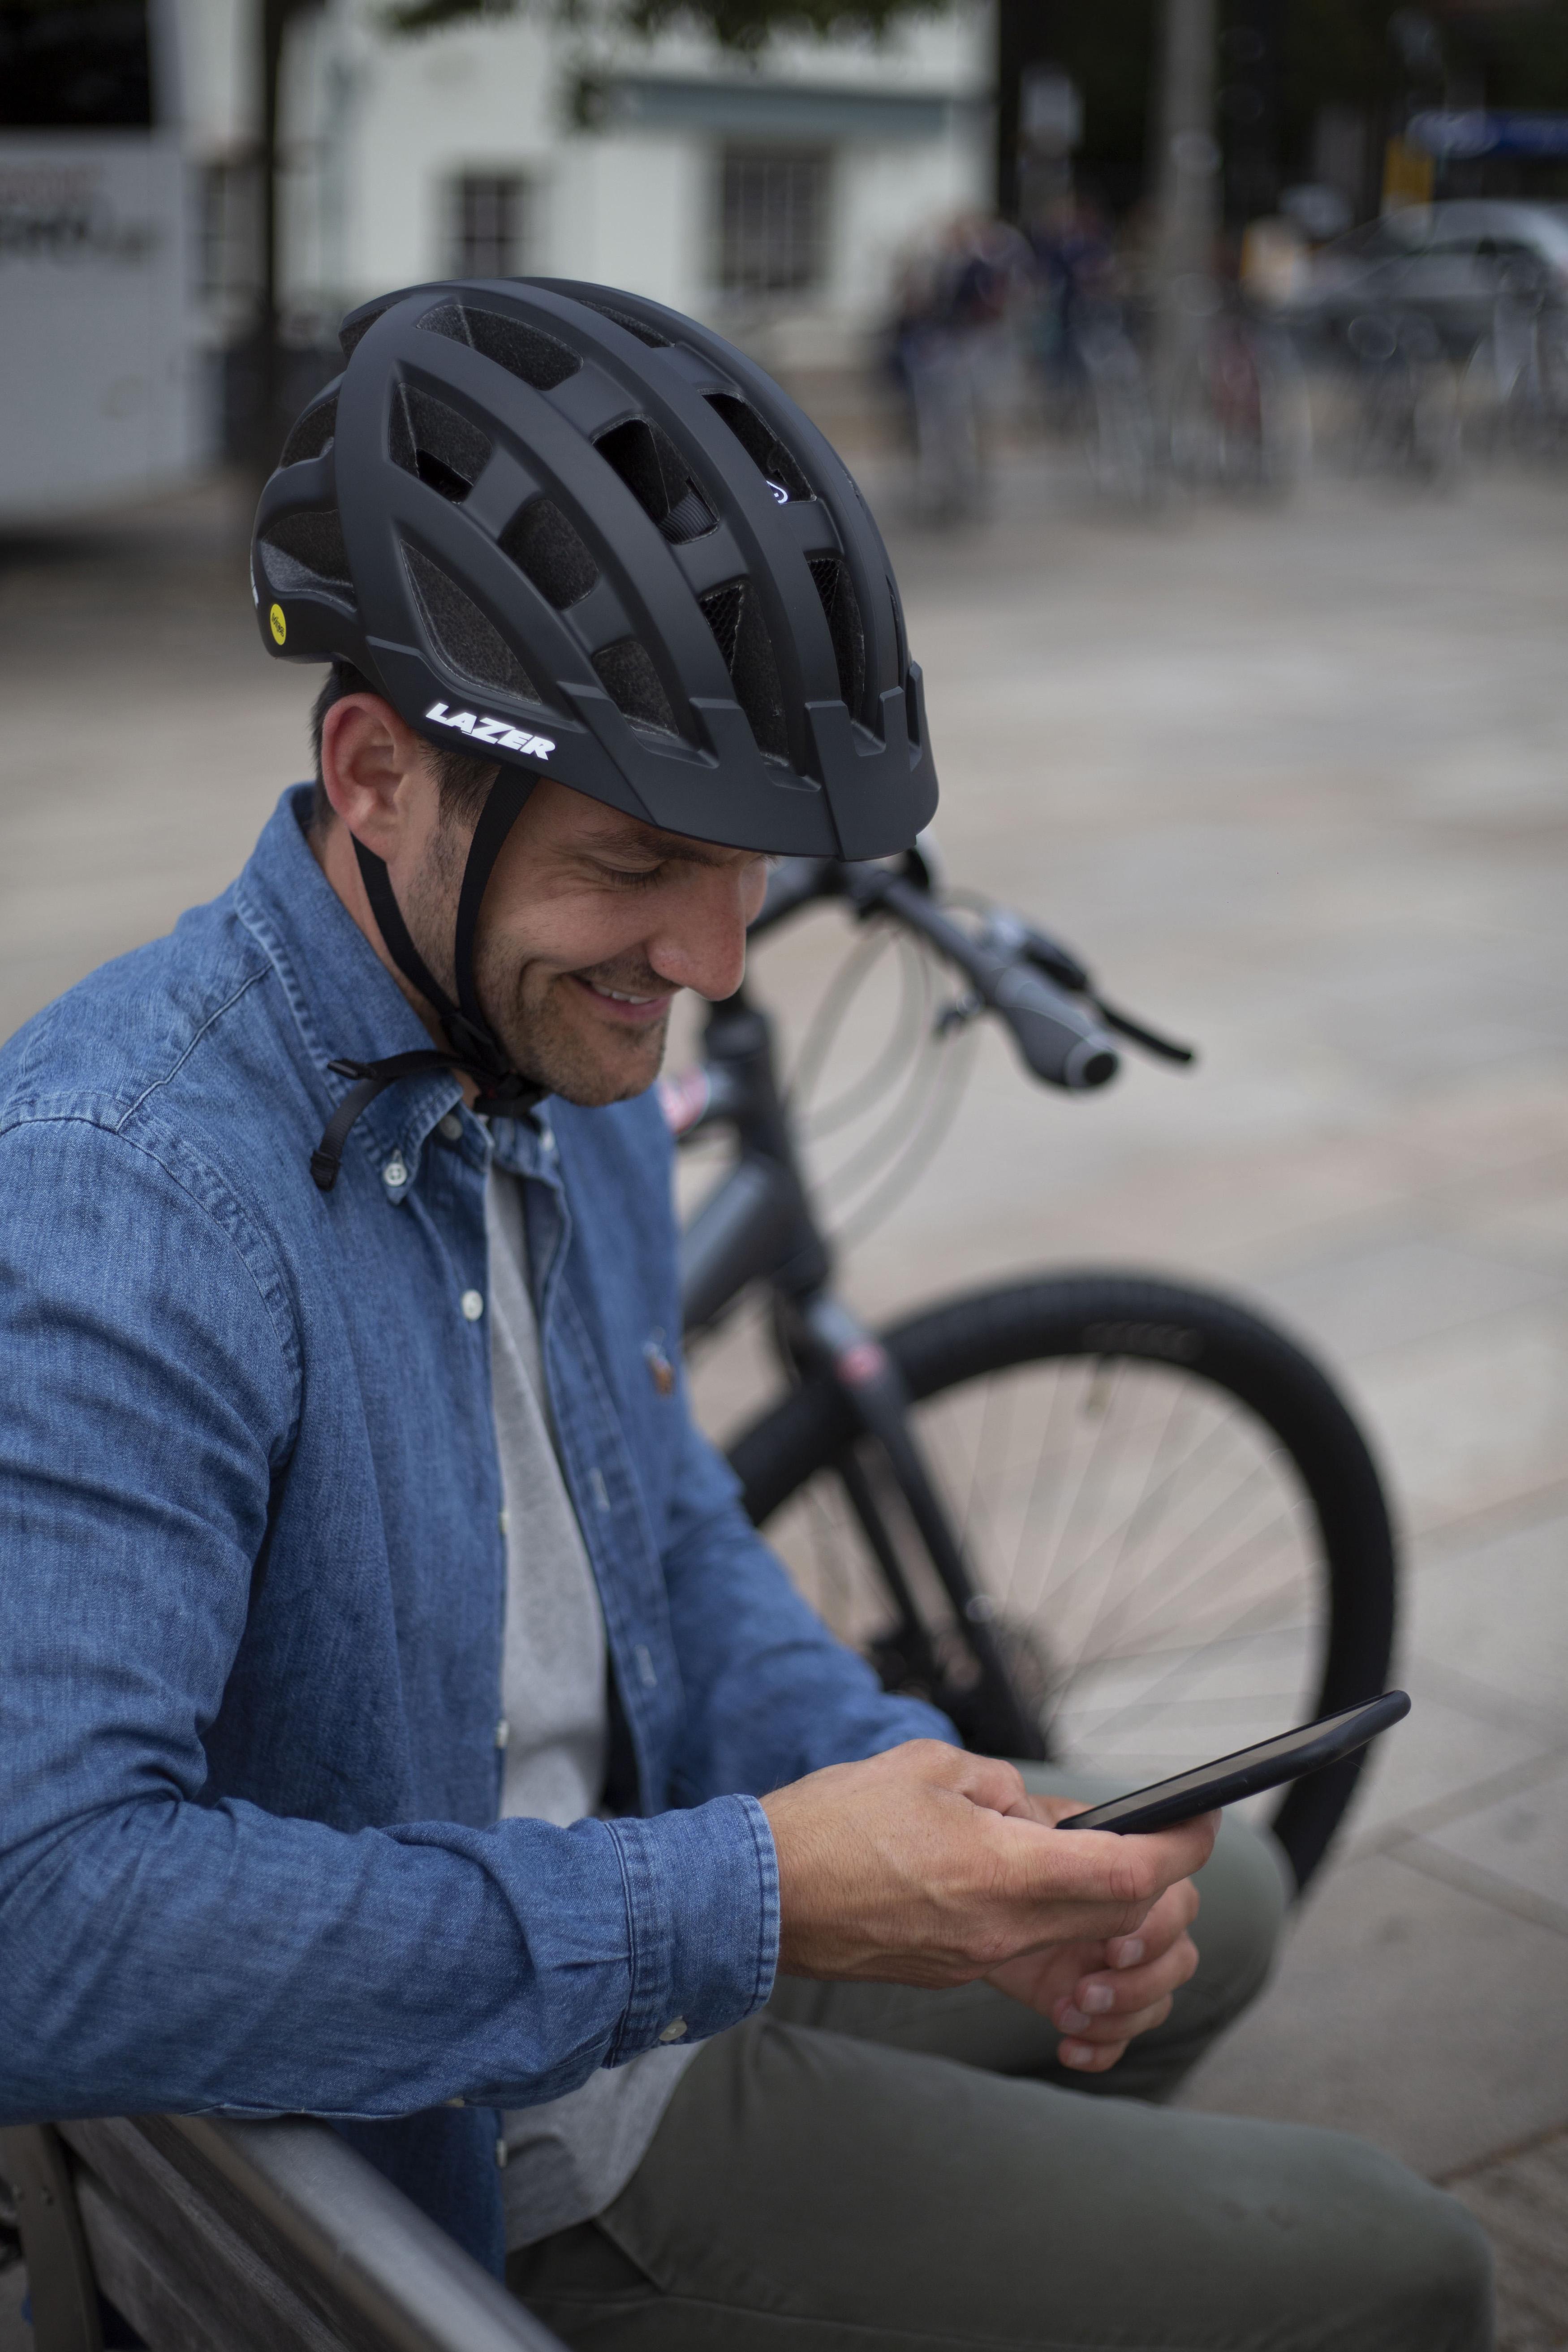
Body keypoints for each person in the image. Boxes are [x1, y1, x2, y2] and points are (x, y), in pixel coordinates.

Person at [0, 277, 1490, 2350]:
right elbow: (36, 1922)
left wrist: (912, 1783)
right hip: (465, 2145)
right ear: (373, 771)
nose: (706, 955)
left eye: (749, 873)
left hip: (610, 1931)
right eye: (635, 863)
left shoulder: (529, 1041)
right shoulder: (125, 1188)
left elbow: (669, 1548)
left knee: (1191, 1893)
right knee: (1406, 2267)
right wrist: (767, 1893)